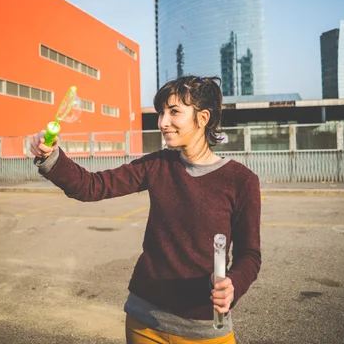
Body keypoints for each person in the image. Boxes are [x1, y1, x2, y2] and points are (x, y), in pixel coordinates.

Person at [30, 75, 261, 344]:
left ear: (203, 118)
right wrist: (50, 156)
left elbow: (250, 254)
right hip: (144, 321)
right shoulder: (157, 165)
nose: (163, 122)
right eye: (161, 113)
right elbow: (91, 186)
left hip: (204, 328)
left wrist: (234, 284)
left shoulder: (241, 180)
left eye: (174, 112)